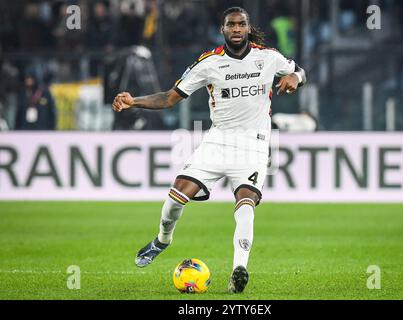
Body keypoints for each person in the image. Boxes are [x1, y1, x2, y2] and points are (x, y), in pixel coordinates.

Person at [112, 6, 306, 293]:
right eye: (231, 25)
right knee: (176, 198)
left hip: (253, 145)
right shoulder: (208, 63)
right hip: (216, 142)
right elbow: (169, 98)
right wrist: (134, 101)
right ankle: (163, 240)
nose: (237, 29)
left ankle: (239, 269)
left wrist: (296, 78)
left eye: (241, 24)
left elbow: (298, 70)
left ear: (248, 28)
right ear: (223, 29)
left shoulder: (268, 57)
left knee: (246, 204)